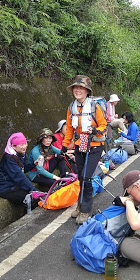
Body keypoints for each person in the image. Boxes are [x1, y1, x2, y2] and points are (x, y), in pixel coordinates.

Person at [61, 75, 107, 224]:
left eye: (81, 88)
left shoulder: (95, 106)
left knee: (87, 177)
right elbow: (69, 128)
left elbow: (104, 125)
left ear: (87, 91)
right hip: (80, 143)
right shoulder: (71, 107)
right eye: (76, 87)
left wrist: (95, 130)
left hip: (94, 145)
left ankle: (86, 210)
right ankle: (81, 206)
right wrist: (64, 144)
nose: (78, 90)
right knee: (81, 176)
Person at [0, 132, 39, 210]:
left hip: (15, 185)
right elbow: (19, 177)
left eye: (25, 143)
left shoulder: (21, 154)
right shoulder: (9, 159)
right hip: (6, 188)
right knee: (31, 197)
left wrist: (33, 164)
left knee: (35, 195)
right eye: (21, 145)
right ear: (13, 146)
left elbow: (23, 169)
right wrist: (33, 190)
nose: (25, 146)